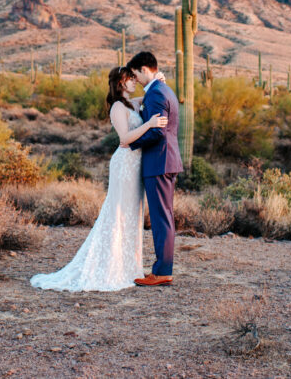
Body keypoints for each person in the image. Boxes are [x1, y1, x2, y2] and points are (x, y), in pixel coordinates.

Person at [30, 66, 167, 291]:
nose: (134, 82)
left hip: (135, 165)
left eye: (135, 78)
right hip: (124, 164)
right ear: (120, 83)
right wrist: (149, 124)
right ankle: (110, 266)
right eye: (129, 79)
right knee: (118, 212)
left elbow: (149, 94)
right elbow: (124, 139)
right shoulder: (117, 107)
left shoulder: (131, 104)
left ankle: (128, 266)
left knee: (132, 214)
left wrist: (156, 79)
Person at [125, 51, 183, 286]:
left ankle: (161, 272)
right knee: (164, 217)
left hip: (159, 162)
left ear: (144, 70)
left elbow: (157, 130)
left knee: (161, 219)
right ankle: (162, 269)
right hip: (164, 161)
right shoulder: (161, 89)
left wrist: (131, 142)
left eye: (136, 74)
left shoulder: (157, 93)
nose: (136, 79)